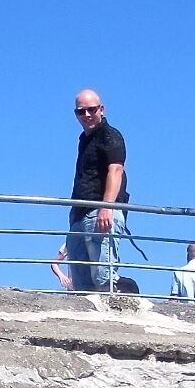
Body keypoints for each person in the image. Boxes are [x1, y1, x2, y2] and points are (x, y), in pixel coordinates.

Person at [64, 89, 126, 292]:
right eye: (81, 112)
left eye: (91, 110)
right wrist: (73, 216)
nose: (87, 115)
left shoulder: (110, 135)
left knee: (102, 278)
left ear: (102, 109)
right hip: (80, 215)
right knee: (81, 285)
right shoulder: (84, 139)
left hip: (99, 212)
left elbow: (116, 170)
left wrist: (106, 207)